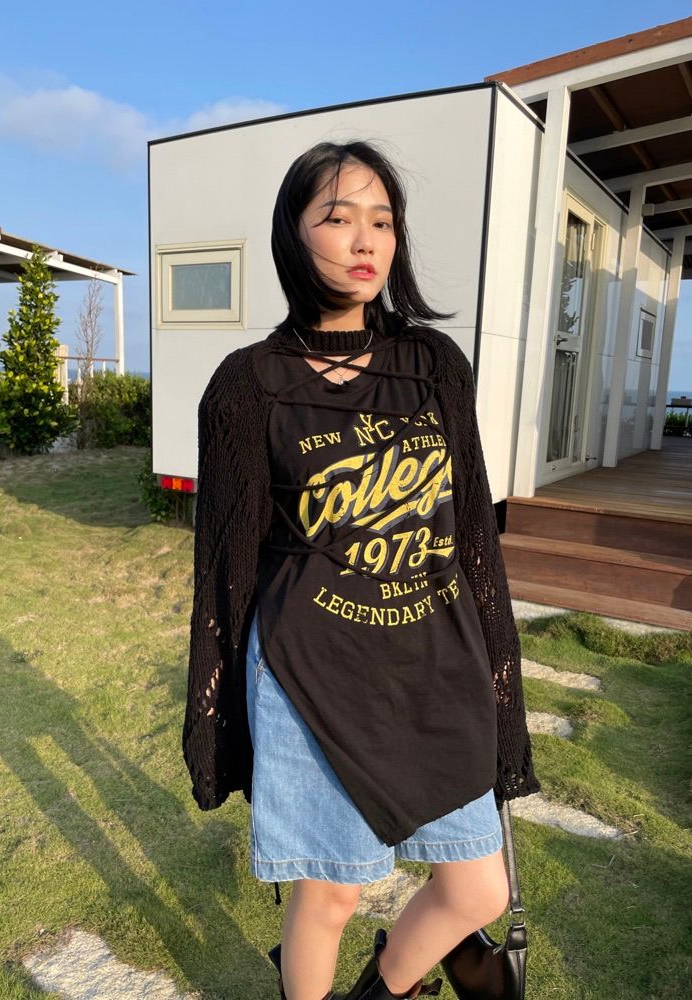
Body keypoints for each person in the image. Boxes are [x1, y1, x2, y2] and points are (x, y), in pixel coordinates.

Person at [182, 139, 540, 1000]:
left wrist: (499, 675)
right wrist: (220, 708)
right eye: (338, 218)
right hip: (314, 670)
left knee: (478, 889)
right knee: (332, 892)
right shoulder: (247, 385)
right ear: (293, 233)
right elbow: (226, 567)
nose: (364, 239)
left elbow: (473, 537)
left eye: (382, 220)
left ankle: (382, 991)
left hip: (433, 662)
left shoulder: (434, 366)